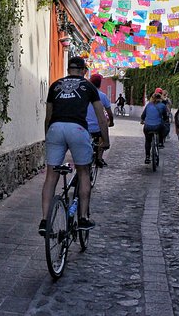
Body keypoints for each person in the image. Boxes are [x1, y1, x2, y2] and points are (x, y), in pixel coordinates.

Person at [40, 56, 110, 236]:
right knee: (83, 172)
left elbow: (48, 117)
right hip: (77, 129)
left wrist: (48, 137)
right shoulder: (89, 87)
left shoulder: (54, 86)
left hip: (55, 128)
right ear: (84, 71)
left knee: (51, 176)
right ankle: (84, 218)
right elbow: (101, 117)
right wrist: (105, 139)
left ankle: (45, 221)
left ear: (68, 70)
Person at [86, 73, 114, 167]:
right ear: (100, 83)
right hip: (97, 127)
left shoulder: (84, 95)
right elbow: (109, 112)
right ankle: (99, 158)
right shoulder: (103, 96)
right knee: (103, 135)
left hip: (84, 127)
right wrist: (111, 122)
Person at [140, 92, 168, 164]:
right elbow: (165, 117)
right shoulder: (162, 105)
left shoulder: (148, 105)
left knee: (148, 141)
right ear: (160, 98)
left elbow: (143, 115)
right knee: (163, 128)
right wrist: (165, 120)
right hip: (158, 126)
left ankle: (147, 157)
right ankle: (161, 142)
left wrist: (142, 120)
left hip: (147, 127)